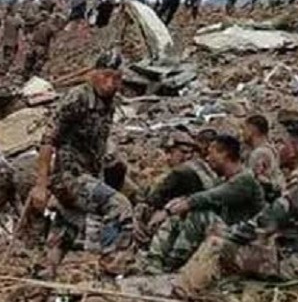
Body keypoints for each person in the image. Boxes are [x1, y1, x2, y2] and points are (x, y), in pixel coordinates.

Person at [28, 52, 133, 278]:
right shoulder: (77, 99)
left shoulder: (109, 103)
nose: (110, 83)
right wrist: (41, 184)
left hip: (88, 173)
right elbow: (48, 141)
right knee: (119, 206)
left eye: (116, 78)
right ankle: (110, 267)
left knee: (67, 222)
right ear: (93, 74)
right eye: (105, 76)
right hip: (69, 176)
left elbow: (99, 141)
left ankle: (46, 272)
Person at [147, 134, 264, 272]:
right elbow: (201, 196)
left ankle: (173, 265)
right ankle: (154, 262)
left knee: (199, 215)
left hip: (246, 240)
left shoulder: (245, 180)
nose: (208, 159)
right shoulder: (226, 179)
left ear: (224, 154)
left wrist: (169, 211)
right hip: (227, 235)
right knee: (180, 215)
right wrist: (177, 204)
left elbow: (209, 197)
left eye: (211, 153)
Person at [134, 130, 219, 246]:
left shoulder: (187, 171)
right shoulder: (157, 171)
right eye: (183, 152)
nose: (187, 156)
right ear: (169, 152)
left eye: (190, 153)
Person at [242, 114, 284, 203]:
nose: (242, 133)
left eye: (244, 129)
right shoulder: (271, 149)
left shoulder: (259, 153)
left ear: (252, 130)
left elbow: (256, 180)